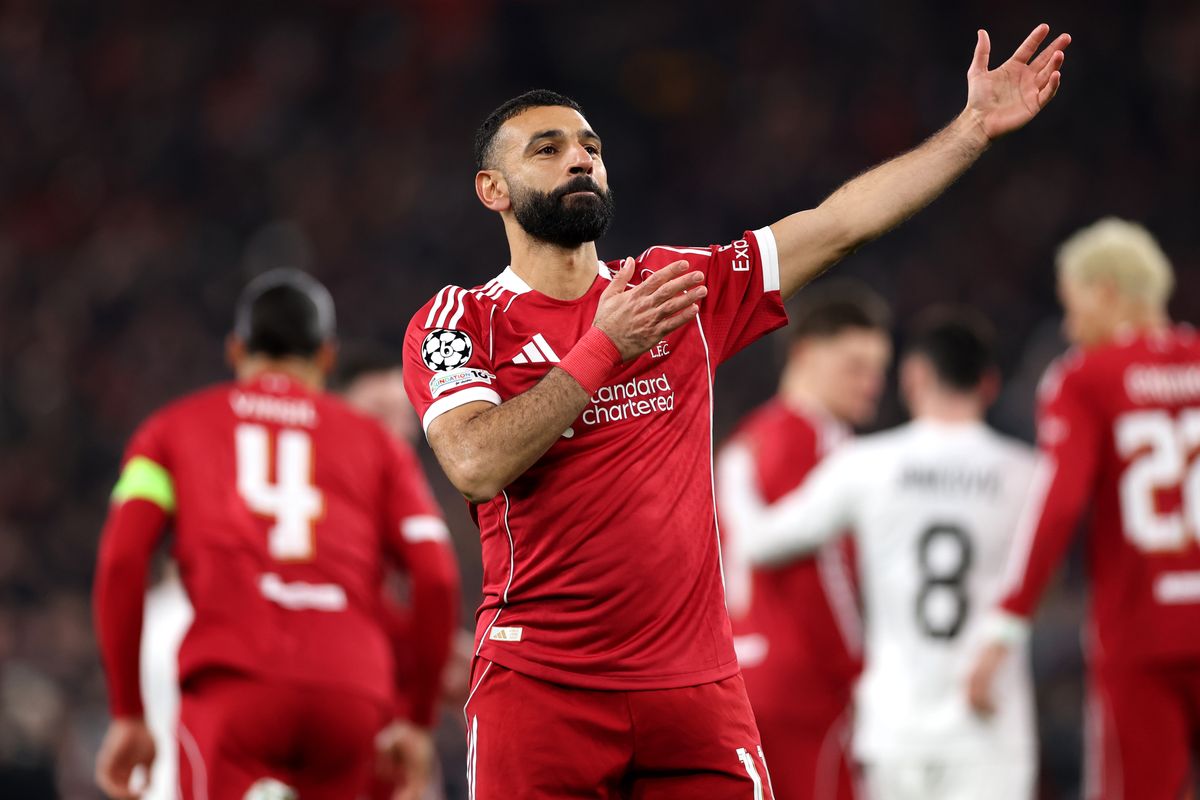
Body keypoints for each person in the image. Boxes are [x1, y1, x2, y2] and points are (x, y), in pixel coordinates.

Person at [403, 25, 1068, 798]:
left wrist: (971, 130)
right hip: (541, 681)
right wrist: (604, 346)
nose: (580, 158)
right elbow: (475, 463)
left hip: (694, 690)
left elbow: (840, 223)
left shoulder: (675, 287)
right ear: (494, 190)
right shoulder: (463, 320)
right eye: (546, 150)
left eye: (589, 145)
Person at [93, 270, 460, 800]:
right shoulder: (380, 448)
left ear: (236, 349)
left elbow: (121, 561)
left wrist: (128, 714)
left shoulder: (167, 432)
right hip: (351, 692)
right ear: (327, 357)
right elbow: (437, 577)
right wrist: (419, 721)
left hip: (233, 687)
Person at [738, 310, 1038, 800]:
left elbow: (761, 542)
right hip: (990, 724)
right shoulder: (1027, 475)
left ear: (913, 378)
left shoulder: (865, 464)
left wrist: (733, 474)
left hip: (896, 725)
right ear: (989, 384)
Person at [968, 218, 1200, 799]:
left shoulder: (1085, 376)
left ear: (1105, 292)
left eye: (1073, 305)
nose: (1070, 325)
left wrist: (1006, 623)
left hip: (1142, 631)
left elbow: (1060, 501)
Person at [717, 284, 891, 800]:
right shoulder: (824, 443)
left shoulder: (745, 439)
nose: (871, 384)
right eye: (856, 366)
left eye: (879, 369)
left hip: (741, 672)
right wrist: (856, 671)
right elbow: (824, 569)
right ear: (806, 354)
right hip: (809, 684)